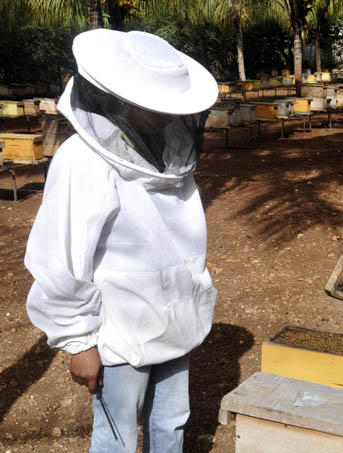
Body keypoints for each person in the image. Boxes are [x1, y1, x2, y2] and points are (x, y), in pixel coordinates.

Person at [24, 29, 218, 452]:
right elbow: (60, 255)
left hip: (176, 319)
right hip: (120, 331)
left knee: (171, 424)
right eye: (158, 106)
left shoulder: (168, 150)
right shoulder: (83, 160)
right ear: (122, 97)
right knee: (117, 437)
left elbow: (178, 238)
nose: (169, 115)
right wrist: (80, 342)